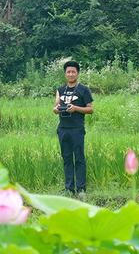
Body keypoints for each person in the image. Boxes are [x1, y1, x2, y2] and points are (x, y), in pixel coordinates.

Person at [53, 60, 93, 196]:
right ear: (65, 74)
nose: (70, 74)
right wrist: (57, 109)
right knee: (67, 158)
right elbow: (55, 108)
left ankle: (81, 189)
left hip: (77, 129)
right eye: (68, 72)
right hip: (63, 129)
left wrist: (75, 108)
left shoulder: (84, 90)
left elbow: (90, 109)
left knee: (79, 158)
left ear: (77, 73)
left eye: (73, 72)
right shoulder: (60, 90)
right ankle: (69, 188)